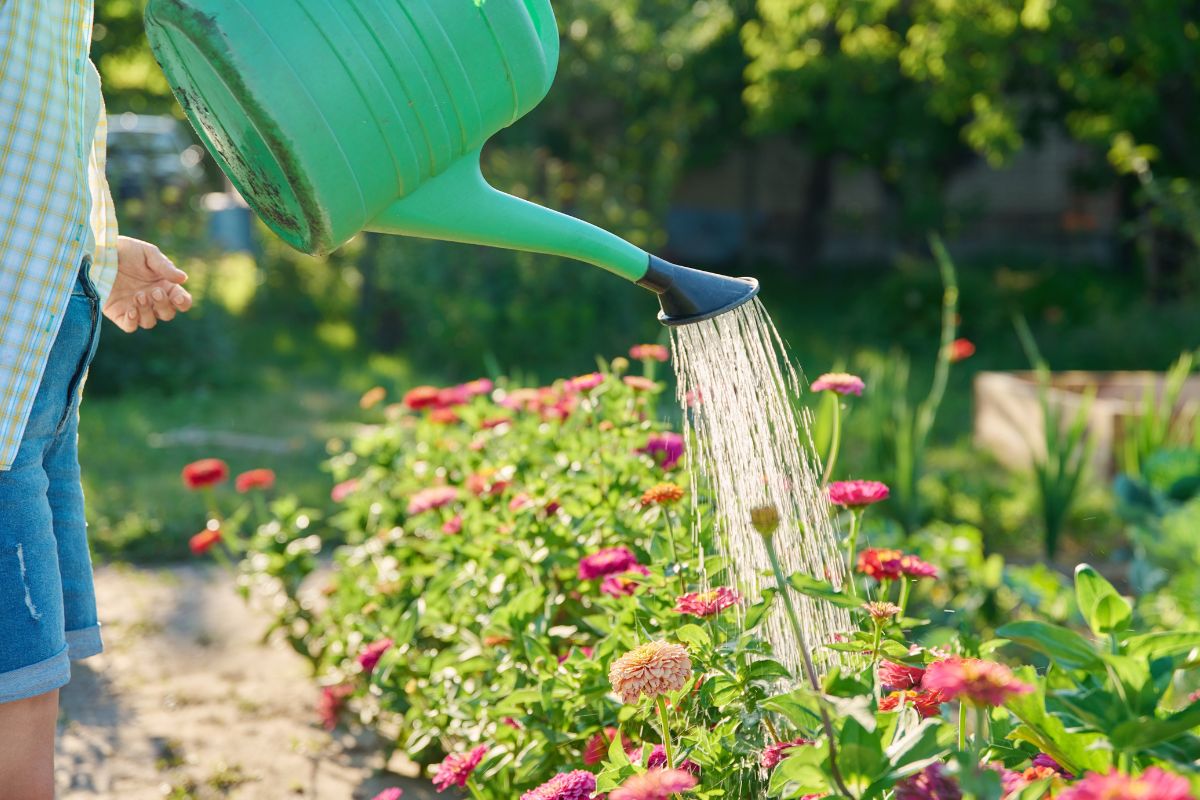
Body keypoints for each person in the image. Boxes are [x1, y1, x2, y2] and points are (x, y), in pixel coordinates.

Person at [1, 4, 194, 796]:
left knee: (33, 689)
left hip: (36, 362)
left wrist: (92, 250)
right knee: (17, 702)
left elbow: (38, 108)